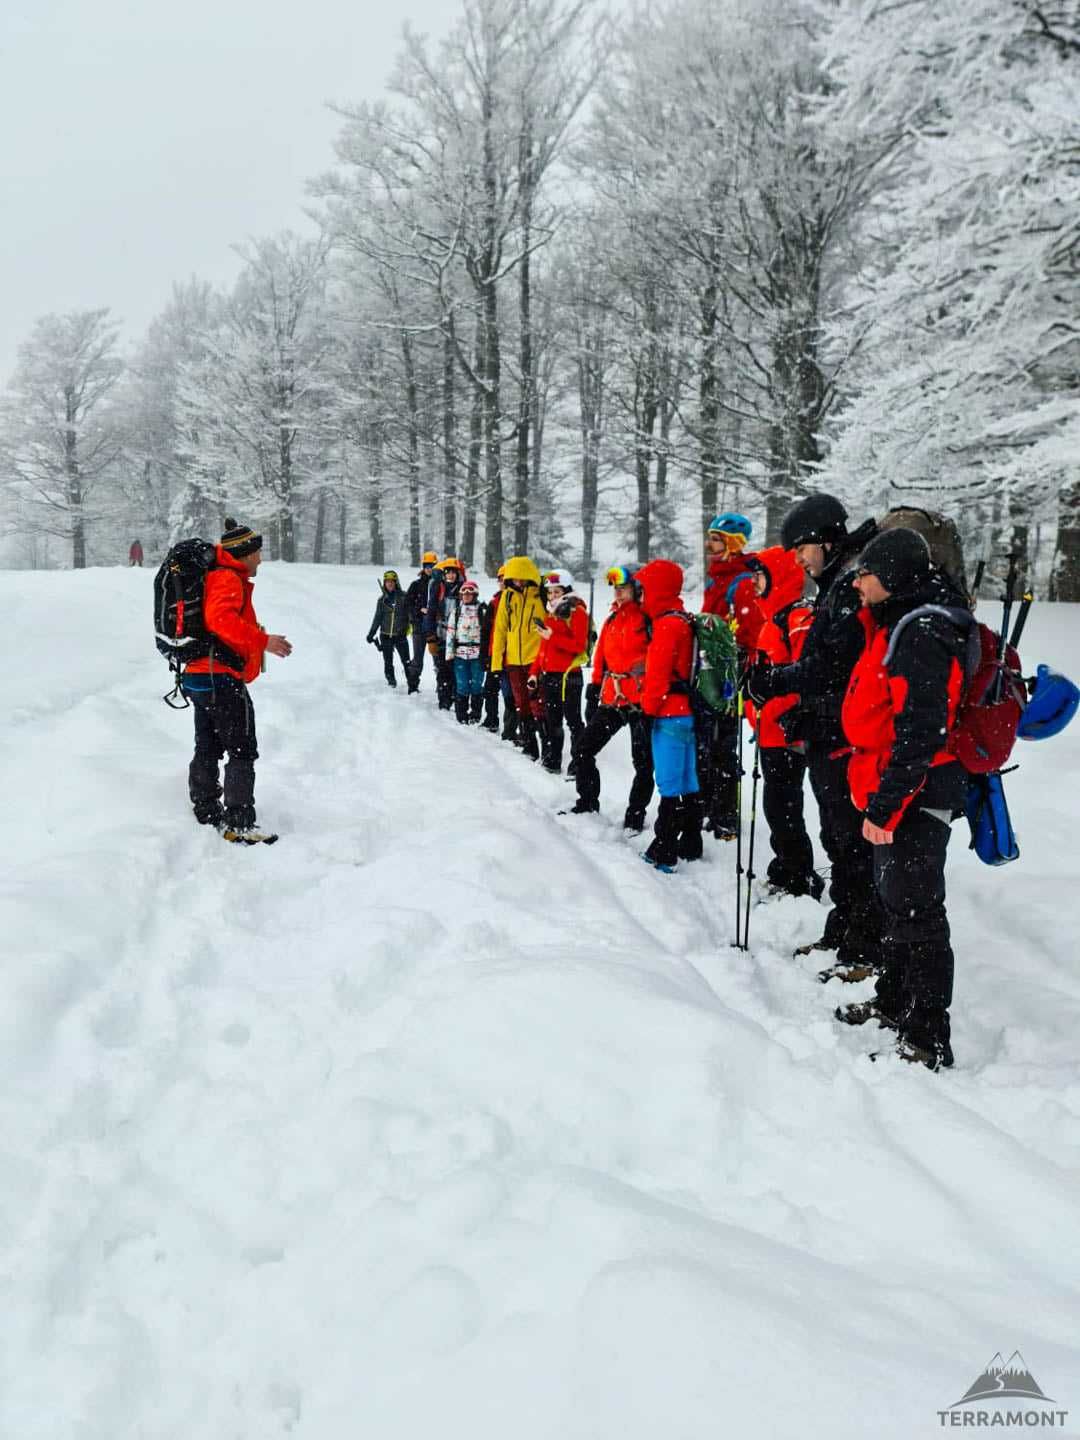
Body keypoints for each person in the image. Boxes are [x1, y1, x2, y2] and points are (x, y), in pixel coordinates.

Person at [837, 528, 969, 1070]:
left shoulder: (921, 633)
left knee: (918, 913)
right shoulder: (897, 623)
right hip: (893, 787)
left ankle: (927, 1035)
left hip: (916, 793)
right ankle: (893, 1003)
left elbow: (922, 733)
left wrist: (886, 806)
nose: (857, 581)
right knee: (896, 904)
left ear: (890, 577)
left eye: (865, 572)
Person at [743, 493, 879, 976]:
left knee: (849, 842)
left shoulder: (847, 586)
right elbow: (835, 671)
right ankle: (845, 930)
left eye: (802, 547)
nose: (797, 559)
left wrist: (781, 683)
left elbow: (836, 666)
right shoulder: (838, 584)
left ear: (824, 540)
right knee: (837, 839)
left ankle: (863, 946)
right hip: (836, 730)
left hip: (850, 738)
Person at [180, 523, 291, 839]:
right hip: (221, 678)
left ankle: (205, 808)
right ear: (245, 553)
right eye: (258, 553)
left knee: (208, 744)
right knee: (242, 749)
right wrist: (262, 640)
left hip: (200, 676)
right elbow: (220, 619)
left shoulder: (217, 576)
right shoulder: (228, 578)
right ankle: (239, 821)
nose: (260, 559)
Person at [743, 547, 823, 899]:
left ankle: (798, 877)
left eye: (759, 576)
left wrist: (774, 703)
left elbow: (807, 675)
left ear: (777, 577)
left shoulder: (797, 616)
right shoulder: (771, 618)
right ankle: (786, 869)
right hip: (770, 731)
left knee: (785, 808)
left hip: (787, 732)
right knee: (777, 807)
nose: (753, 584)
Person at [563, 565, 654, 832]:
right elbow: (601, 651)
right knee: (583, 748)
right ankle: (588, 802)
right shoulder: (612, 618)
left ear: (637, 590)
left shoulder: (647, 619)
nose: (618, 593)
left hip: (640, 700)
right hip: (613, 697)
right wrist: (594, 687)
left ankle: (635, 816)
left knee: (644, 762)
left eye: (623, 588)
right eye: (616, 588)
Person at [636, 559, 703, 871]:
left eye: (644, 589)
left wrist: (646, 711)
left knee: (669, 783)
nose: (640, 596)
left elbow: (657, 677)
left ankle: (663, 850)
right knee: (687, 780)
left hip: (668, 714)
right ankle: (691, 843)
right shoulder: (684, 620)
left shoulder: (666, 625)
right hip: (688, 711)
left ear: (656, 590)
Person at [699, 513, 760, 839]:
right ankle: (710, 807)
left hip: (729, 672)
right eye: (710, 538)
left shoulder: (742, 581)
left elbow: (750, 633)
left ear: (733, 544)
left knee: (723, 745)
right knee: (708, 742)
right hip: (710, 669)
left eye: (717, 539)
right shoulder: (716, 578)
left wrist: (736, 662)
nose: (709, 545)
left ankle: (726, 816)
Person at [529, 570, 589, 773]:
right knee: (552, 720)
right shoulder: (550, 613)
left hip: (569, 676)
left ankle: (579, 762)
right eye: (550, 592)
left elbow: (579, 646)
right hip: (549, 675)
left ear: (566, 590)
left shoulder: (577, 612)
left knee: (573, 720)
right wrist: (534, 672)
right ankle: (553, 759)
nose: (552, 596)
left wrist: (552, 636)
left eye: (557, 591)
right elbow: (543, 648)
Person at [490, 555, 545, 759]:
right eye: (514, 579)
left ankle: (547, 748)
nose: (518, 582)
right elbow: (500, 631)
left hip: (535, 660)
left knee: (537, 704)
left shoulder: (542, 595)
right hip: (513, 661)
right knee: (521, 703)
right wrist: (497, 664)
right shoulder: (508, 597)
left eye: (522, 578)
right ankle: (530, 746)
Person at [424, 558, 466, 711]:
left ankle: (455, 697)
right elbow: (431, 612)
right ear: (444, 574)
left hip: (459, 637)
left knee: (456, 669)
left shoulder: (463, 589)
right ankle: (444, 700)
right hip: (441, 635)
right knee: (443, 670)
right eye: (448, 572)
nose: (451, 575)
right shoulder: (438, 588)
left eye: (453, 572)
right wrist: (430, 637)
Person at [445, 577, 488, 723]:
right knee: (462, 684)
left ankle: (475, 715)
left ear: (475, 595)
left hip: (477, 654)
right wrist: (449, 656)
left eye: (470, 593)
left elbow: (487, 634)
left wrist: (487, 655)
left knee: (476, 684)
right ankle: (461, 715)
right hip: (460, 654)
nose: (467, 596)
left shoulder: (482, 611)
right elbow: (450, 634)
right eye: (464, 594)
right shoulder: (456, 612)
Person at [367, 570, 415, 691]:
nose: (390, 584)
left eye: (392, 581)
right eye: (387, 582)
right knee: (388, 662)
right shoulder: (382, 600)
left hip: (400, 635)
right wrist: (371, 633)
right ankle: (391, 682)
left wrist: (412, 626)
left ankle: (412, 685)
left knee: (407, 662)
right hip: (385, 635)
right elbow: (377, 618)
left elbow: (411, 614)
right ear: (384, 583)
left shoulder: (404, 597)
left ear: (396, 582)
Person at [481, 565, 508, 732]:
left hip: (512, 655)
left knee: (511, 695)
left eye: (506, 579)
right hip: (494, 653)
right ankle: (491, 720)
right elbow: (485, 631)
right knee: (490, 690)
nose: (503, 582)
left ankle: (512, 729)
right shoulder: (494, 603)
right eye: (501, 580)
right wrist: (485, 654)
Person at [406, 551, 438, 686]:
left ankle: (441, 688)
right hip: (419, 627)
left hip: (435, 629)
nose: (429, 569)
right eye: (427, 566)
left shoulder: (439, 585)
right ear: (423, 568)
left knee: (438, 659)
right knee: (418, 659)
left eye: (432, 566)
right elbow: (408, 604)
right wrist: (419, 610)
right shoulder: (416, 585)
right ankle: (413, 685)